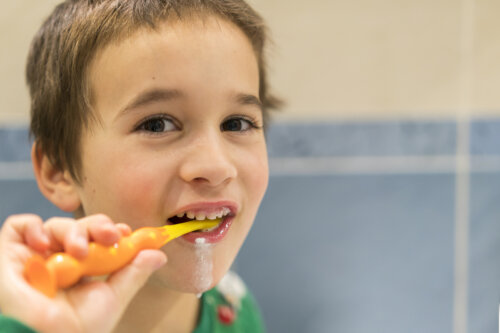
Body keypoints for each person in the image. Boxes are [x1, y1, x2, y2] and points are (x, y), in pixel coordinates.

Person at [0, 0, 281, 332]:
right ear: (59, 170)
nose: (217, 166)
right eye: (157, 124)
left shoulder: (235, 310)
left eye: (236, 124)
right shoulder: (26, 320)